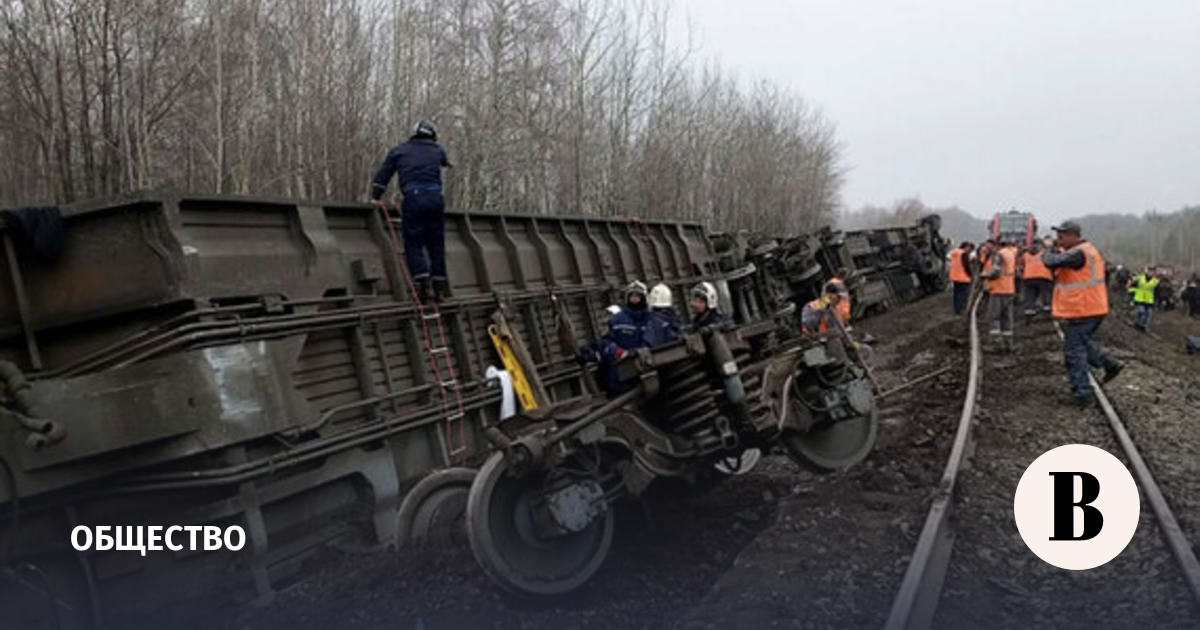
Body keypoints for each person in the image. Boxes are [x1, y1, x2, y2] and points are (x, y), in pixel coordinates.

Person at [1042, 220, 1123, 407]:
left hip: (1084, 309)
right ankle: (1109, 363)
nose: (1058, 237)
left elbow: (1050, 262)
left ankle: (1083, 394)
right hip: (1090, 308)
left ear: (1074, 236)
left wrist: (1048, 248)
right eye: (1058, 234)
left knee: (1073, 351)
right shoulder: (1084, 251)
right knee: (1081, 343)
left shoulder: (1078, 253)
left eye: (1062, 234)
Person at [370, 119, 453, 302]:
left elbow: (384, 174)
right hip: (435, 200)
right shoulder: (437, 149)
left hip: (414, 199)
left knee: (413, 242)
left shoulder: (399, 150)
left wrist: (376, 195)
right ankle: (439, 286)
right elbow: (445, 162)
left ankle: (423, 284)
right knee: (436, 244)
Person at [579, 281, 652, 394]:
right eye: (632, 295)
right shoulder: (618, 319)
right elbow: (607, 340)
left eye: (638, 296)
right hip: (621, 370)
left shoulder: (651, 319)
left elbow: (655, 341)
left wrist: (635, 352)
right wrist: (597, 351)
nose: (634, 298)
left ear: (644, 298)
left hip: (645, 367)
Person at [980, 239, 1016, 351]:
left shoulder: (999, 254)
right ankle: (1008, 344)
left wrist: (985, 275)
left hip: (998, 289)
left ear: (996, 246)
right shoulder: (1010, 253)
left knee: (994, 317)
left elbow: (996, 271)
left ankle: (996, 344)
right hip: (1009, 289)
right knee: (1007, 318)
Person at [1021, 241, 1054, 319]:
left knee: (1030, 295)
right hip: (1043, 276)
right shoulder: (1044, 253)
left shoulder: (1025, 254)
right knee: (1045, 294)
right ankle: (1047, 310)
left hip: (1028, 277)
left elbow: (1022, 265)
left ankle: (1029, 311)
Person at [1129, 266, 1160, 332]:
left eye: (1153, 272)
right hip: (1140, 298)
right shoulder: (1140, 278)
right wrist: (1131, 291)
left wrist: (1157, 300)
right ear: (1147, 271)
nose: (1151, 273)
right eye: (1150, 271)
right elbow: (1132, 283)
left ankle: (1144, 326)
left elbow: (1157, 291)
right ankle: (1137, 322)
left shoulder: (1155, 281)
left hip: (1149, 300)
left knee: (1148, 314)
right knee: (1141, 311)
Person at [948, 241, 974, 315]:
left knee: (956, 293)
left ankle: (956, 309)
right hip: (963, 277)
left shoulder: (954, 252)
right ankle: (960, 309)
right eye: (969, 248)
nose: (969, 250)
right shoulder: (963, 253)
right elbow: (966, 266)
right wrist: (971, 275)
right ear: (966, 247)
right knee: (962, 294)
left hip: (954, 276)